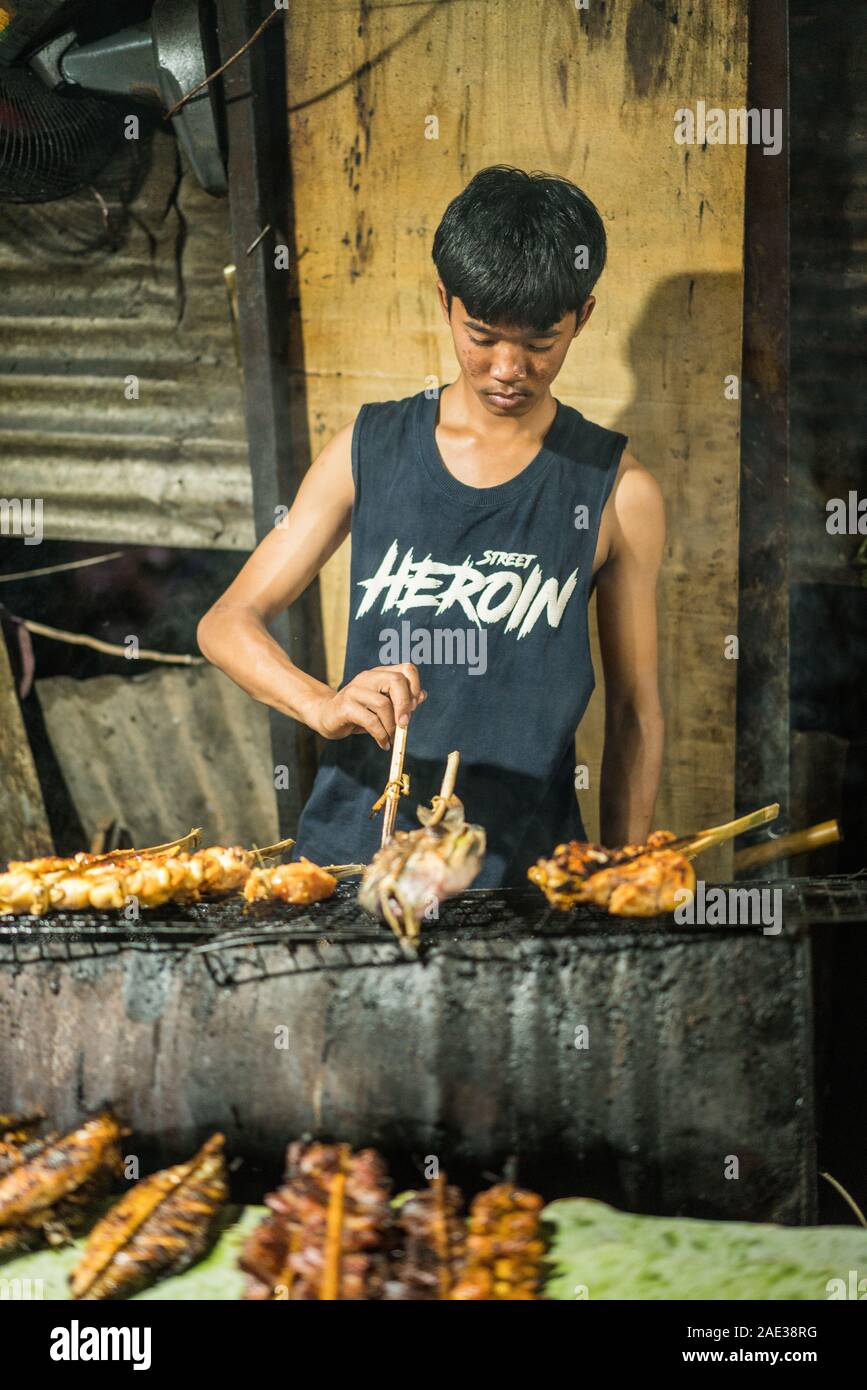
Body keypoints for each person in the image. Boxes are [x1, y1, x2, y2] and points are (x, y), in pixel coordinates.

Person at [197, 165, 665, 887]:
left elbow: (635, 710)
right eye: (481, 335)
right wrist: (321, 704)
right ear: (445, 303)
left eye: (540, 341)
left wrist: (620, 873)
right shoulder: (369, 446)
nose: (508, 368)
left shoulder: (617, 489)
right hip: (349, 866)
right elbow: (227, 622)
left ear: (583, 316)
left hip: (521, 881)